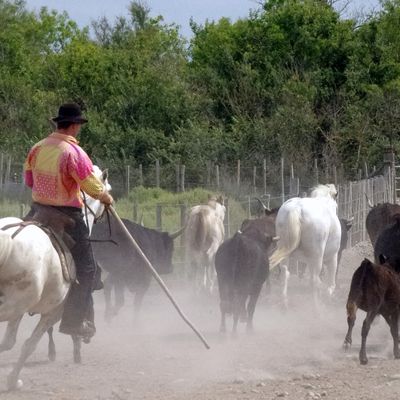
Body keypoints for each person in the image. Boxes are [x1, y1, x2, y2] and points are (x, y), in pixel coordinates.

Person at [24, 102, 113, 339]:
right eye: (78, 125)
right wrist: (105, 196)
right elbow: (90, 184)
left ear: (58, 123)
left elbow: (29, 181)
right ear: (74, 126)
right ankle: (72, 322)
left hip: (37, 212)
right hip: (67, 217)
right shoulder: (73, 153)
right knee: (87, 268)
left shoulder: (37, 148)